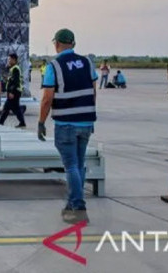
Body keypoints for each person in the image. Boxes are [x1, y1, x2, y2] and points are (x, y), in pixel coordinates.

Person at [38, 28, 98, 224]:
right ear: (73, 43)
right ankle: (71, 203)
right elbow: (93, 91)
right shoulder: (88, 62)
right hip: (86, 122)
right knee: (79, 165)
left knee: (71, 166)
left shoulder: (54, 66)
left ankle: (78, 208)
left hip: (66, 124)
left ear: (56, 44)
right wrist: (89, 115)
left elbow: (47, 98)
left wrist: (41, 122)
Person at [0, 53, 26, 128]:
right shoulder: (13, 68)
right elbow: (12, 80)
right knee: (13, 108)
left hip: (14, 92)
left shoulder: (15, 69)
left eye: (9, 59)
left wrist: (11, 92)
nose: (8, 61)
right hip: (14, 91)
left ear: (14, 60)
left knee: (7, 107)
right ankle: (21, 122)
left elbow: (15, 82)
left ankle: (0, 122)